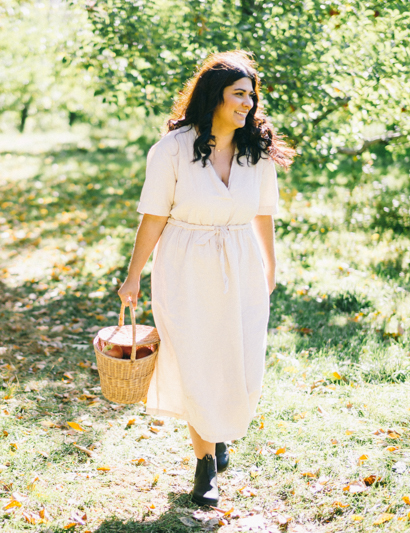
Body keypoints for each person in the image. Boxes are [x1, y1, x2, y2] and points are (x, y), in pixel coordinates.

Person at [117, 51, 295, 506]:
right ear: (214, 96)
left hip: (241, 261)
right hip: (185, 264)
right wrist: (133, 275)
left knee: (240, 361)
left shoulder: (257, 151)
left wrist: (270, 265)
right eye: (239, 95)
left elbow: (264, 214)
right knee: (197, 358)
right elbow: (153, 217)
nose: (248, 104)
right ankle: (205, 466)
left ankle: (219, 434)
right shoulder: (172, 149)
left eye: (251, 97)